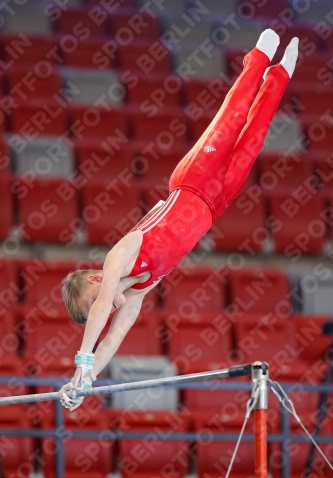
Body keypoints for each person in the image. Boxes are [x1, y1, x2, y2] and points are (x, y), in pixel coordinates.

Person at [59, 29, 299, 410]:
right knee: (254, 137)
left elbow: (104, 308)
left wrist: (80, 362)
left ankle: (257, 57)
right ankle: (280, 76)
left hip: (191, 181)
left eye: (93, 305)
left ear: (94, 281)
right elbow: (112, 340)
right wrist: (84, 381)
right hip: (214, 206)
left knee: (233, 119)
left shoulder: (117, 258)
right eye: (96, 312)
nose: (104, 313)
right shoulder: (138, 292)